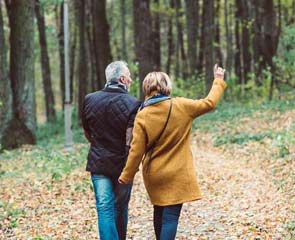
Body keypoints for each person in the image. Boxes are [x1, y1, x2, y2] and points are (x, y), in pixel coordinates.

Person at [118, 64, 226, 239]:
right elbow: (209, 103)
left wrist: (126, 176)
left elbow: (136, 151)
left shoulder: (143, 115)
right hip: (178, 173)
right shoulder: (182, 105)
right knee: (171, 217)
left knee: (158, 211)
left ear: (147, 88)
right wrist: (218, 80)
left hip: (154, 174)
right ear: (166, 86)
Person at [81, 61, 142, 240]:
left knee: (104, 207)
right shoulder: (133, 103)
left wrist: (99, 145)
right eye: (129, 76)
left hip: (98, 163)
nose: (130, 80)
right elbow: (130, 140)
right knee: (120, 207)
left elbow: (87, 130)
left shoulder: (89, 99)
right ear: (122, 79)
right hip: (123, 164)